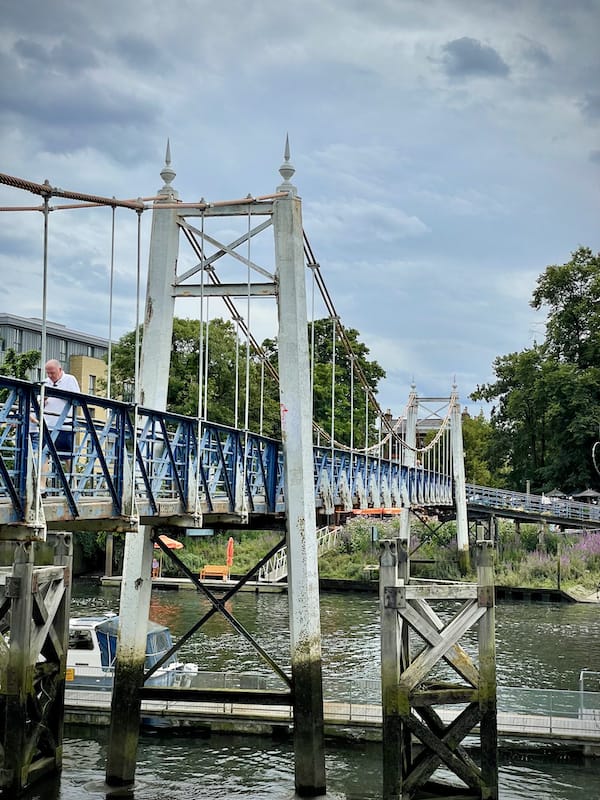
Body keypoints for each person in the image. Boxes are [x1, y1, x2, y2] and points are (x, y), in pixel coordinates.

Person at [31, 359, 80, 494]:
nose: (50, 376)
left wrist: (59, 394)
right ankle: (42, 487)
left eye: (52, 373)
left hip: (65, 424)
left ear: (60, 369)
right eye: (48, 373)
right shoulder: (45, 382)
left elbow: (77, 400)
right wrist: (43, 400)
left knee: (67, 456)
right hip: (47, 425)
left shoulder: (70, 380)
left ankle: (74, 485)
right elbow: (37, 404)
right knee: (44, 454)